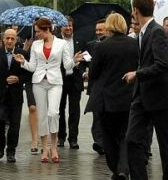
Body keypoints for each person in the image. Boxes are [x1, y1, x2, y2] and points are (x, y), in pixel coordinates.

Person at [121, 0, 168, 180]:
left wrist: (137, 74)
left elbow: (162, 65)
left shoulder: (157, 32)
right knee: (132, 140)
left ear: (135, 10)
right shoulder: (142, 33)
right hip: (141, 97)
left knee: (165, 145)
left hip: (160, 97)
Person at [15, 18, 83, 163]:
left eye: (38, 31)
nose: (36, 34)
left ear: (46, 29)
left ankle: (54, 146)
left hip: (55, 82)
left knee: (53, 113)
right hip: (39, 82)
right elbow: (33, 67)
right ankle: (45, 148)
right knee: (42, 116)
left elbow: (66, 65)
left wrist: (75, 60)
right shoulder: (35, 45)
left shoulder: (61, 43)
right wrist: (23, 63)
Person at [85, 13, 138, 180]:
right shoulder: (134, 44)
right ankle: (123, 170)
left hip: (106, 99)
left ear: (108, 26)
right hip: (128, 96)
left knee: (108, 137)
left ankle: (116, 172)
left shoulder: (102, 46)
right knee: (124, 135)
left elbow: (93, 73)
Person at [0, 29, 28, 163]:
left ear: (16, 40)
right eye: (7, 38)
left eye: (12, 39)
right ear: (3, 39)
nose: (9, 41)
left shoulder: (23, 54)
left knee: (15, 125)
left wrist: (19, 79)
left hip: (15, 96)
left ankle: (11, 151)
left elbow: (30, 73)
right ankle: (1, 146)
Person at [57, 16, 85, 150]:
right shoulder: (56, 42)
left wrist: (82, 66)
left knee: (74, 111)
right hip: (60, 80)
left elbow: (86, 59)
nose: (68, 28)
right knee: (59, 110)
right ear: (60, 27)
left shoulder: (80, 41)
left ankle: (73, 139)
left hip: (75, 80)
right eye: (66, 26)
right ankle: (61, 137)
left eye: (70, 25)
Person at [83, 18, 107, 155]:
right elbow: (84, 62)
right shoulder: (90, 45)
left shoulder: (112, 45)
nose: (98, 32)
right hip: (95, 87)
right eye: (97, 30)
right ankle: (99, 142)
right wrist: (85, 72)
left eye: (101, 30)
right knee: (97, 115)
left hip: (109, 86)